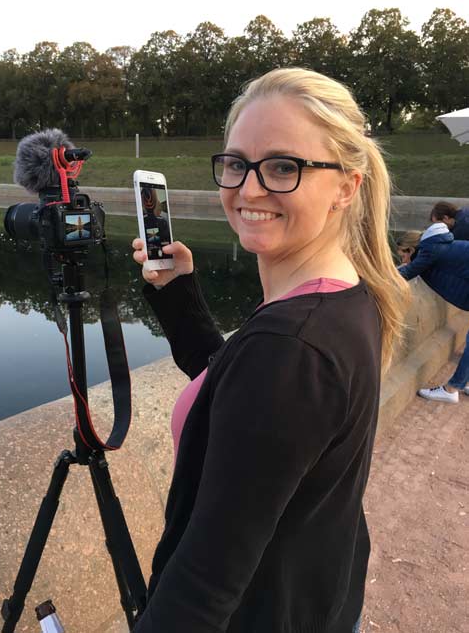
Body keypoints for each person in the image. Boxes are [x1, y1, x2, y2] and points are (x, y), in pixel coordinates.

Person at [127, 68, 405, 632]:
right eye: (236, 163)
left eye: (284, 167)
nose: (248, 188)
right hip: (317, 596)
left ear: (346, 186)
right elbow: (238, 390)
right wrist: (179, 294)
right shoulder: (347, 296)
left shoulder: (292, 347)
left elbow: (203, 586)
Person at [397, 216, 469, 403]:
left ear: (411, 249)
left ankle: (452, 389)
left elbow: (406, 274)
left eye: (403, 255)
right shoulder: (436, 247)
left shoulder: (429, 251)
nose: (403, 260)